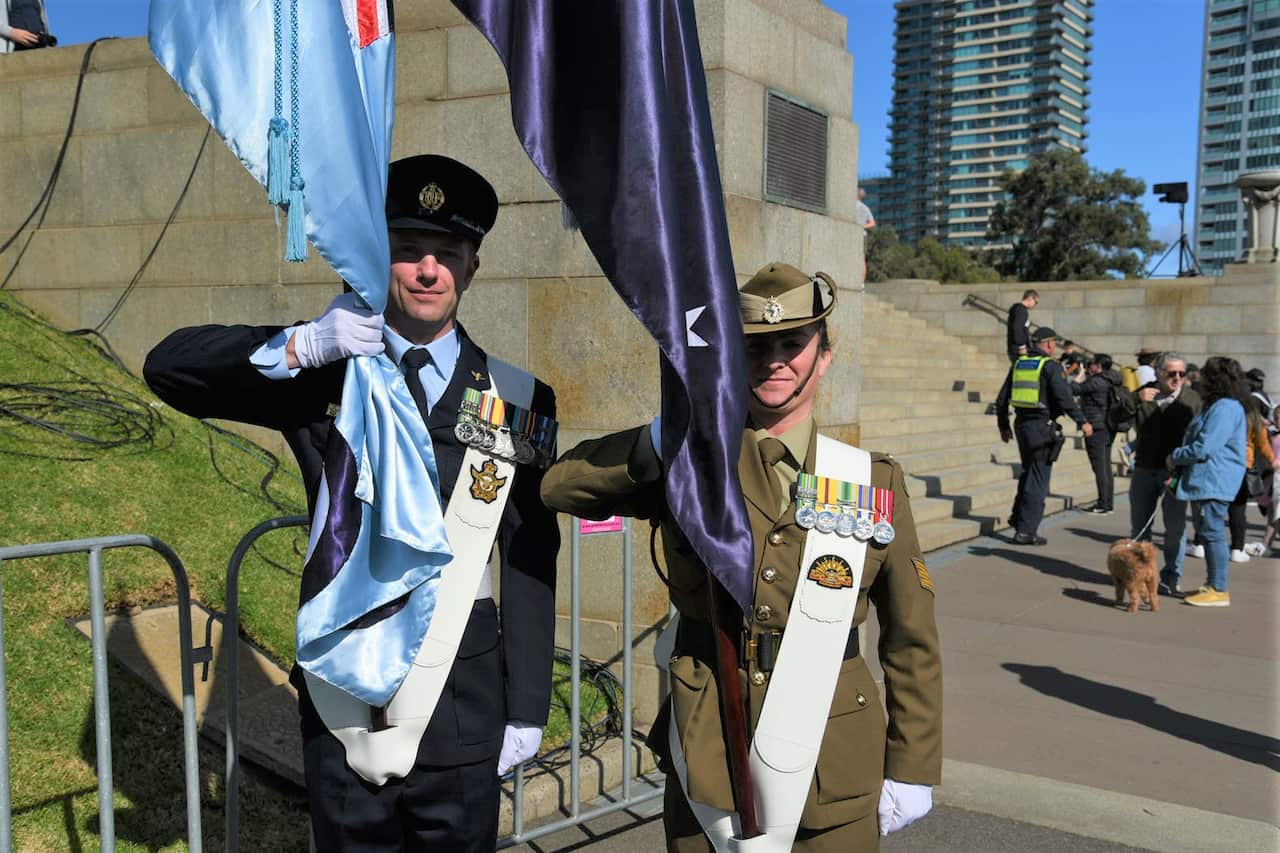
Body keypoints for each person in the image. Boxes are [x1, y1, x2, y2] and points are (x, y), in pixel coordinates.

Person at [145, 155, 561, 851]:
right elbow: (170, 367)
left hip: (461, 709)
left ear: (472, 267)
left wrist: (528, 705)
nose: (428, 270)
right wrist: (301, 344)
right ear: (379, 258)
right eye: (407, 251)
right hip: (345, 708)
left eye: (447, 254)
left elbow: (527, 554)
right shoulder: (325, 372)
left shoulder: (518, 397)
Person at [541, 263, 943, 852]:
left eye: (793, 344)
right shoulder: (686, 466)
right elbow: (559, 487)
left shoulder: (872, 482)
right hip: (710, 747)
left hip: (831, 764)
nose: (775, 360)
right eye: (756, 346)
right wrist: (662, 435)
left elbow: (912, 638)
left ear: (824, 357)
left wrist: (912, 763)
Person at [994, 327, 1092, 545]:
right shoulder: (1049, 366)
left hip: (1022, 426)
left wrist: (1003, 425)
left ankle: (1019, 517)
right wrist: (1082, 421)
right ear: (1048, 344)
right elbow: (1064, 398)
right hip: (1042, 427)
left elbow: (1001, 399)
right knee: (1038, 478)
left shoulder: (1019, 364)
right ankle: (1026, 531)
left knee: (1029, 471)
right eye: (1053, 344)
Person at [1115, 352, 1201, 594]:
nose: (1176, 378)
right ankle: (1141, 575)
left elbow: (1199, 438)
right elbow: (1115, 419)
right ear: (1159, 373)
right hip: (1144, 470)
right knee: (1140, 529)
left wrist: (1184, 468)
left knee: (1175, 530)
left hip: (1175, 474)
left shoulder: (1193, 400)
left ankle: (1171, 575)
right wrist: (1134, 399)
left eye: (1181, 374)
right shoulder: (1145, 394)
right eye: (1171, 373)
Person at [1172, 357, 1248, 608]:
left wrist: (1175, 456)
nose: (1200, 379)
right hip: (1212, 478)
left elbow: (1206, 446)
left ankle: (1218, 587)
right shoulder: (1221, 406)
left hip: (1215, 479)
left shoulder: (1224, 407)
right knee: (1210, 531)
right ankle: (1214, 584)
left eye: (1204, 375)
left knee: (1212, 532)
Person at [1073, 353, 1122, 514]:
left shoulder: (1096, 381)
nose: (1089, 366)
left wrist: (1080, 375)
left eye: (1091, 364)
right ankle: (1108, 503)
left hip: (1096, 426)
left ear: (1099, 366)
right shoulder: (1113, 379)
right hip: (1109, 426)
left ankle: (1103, 504)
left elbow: (1074, 389)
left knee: (1099, 467)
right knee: (1106, 465)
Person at [1005, 289, 1039, 362]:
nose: (1035, 305)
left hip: (1013, 347)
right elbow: (1017, 328)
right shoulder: (1021, 311)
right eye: (1036, 302)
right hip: (1018, 349)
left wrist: (1026, 326)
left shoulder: (1016, 309)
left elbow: (1017, 326)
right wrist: (1022, 346)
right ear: (1030, 298)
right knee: (1022, 371)